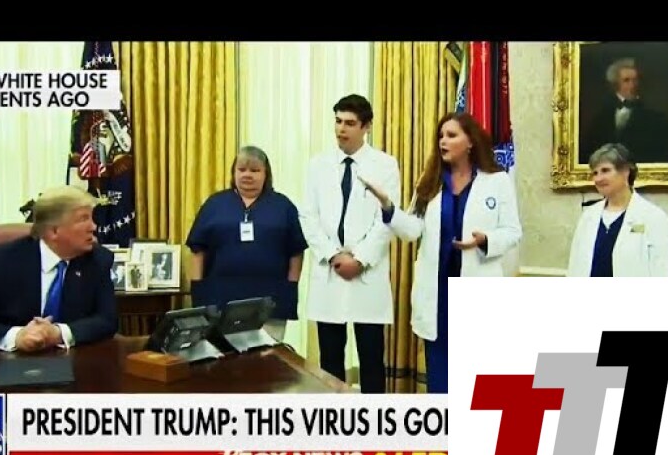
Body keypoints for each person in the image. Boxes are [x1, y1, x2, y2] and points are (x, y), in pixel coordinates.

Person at [361, 112, 522, 394]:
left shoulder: (496, 181)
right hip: (438, 293)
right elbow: (412, 230)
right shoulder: (431, 182)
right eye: (440, 136)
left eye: (451, 135)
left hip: (476, 285)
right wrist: (388, 208)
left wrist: (486, 240)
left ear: (470, 142)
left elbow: (512, 231)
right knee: (440, 376)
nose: (443, 141)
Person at [299, 94, 401, 393]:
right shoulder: (318, 165)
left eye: (350, 123)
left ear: (366, 126)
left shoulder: (385, 165)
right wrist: (333, 255)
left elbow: (387, 219)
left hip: (366, 274)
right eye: (338, 121)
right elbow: (308, 217)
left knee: (371, 359)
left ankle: (374, 420)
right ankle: (335, 419)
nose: (341, 129)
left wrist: (360, 260)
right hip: (330, 272)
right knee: (330, 360)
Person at [0, 185, 118, 351]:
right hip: (9, 359)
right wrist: (17, 337)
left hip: (74, 357)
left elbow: (107, 321)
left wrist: (58, 333)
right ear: (54, 231)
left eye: (91, 218)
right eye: (83, 219)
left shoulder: (98, 260)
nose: (93, 227)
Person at [186, 145, 307, 342]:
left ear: (266, 174)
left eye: (255, 170)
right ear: (233, 172)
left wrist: (289, 289)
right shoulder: (214, 204)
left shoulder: (283, 206)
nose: (247, 175)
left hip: (270, 302)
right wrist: (198, 291)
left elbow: (296, 252)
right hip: (219, 301)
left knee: (266, 357)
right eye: (241, 169)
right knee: (223, 358)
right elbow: (198, 250)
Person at [567, 143, 668, 277]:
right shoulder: (588, 216)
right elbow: (574, 267)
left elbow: (662, 271)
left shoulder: (654, 217)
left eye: (605, 170)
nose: (598, 179)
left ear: (625, 172)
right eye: (595, 173)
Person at [580, 57, 668, 163]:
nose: (633, 85)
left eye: (635, 80)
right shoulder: (601, 118)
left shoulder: (655, 119)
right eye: (626, 80)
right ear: (615, 84)